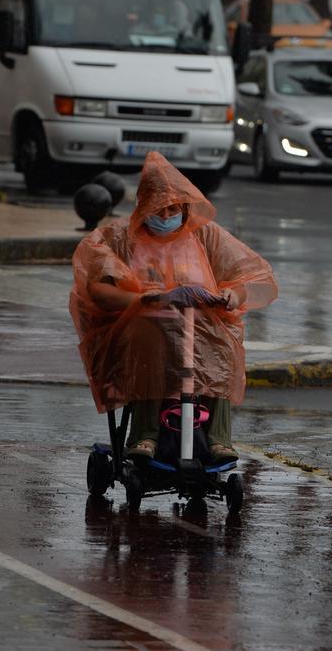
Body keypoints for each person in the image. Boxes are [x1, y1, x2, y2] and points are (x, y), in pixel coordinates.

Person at [70, 152, 277, 463]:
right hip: (140, 324)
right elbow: (98, 289)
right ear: (144, 207)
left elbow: (245, 277)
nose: (166, 216)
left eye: (173, 209)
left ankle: (218, 438)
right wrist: (141, 299)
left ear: (185, 208)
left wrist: (231, 296)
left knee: (220, 343)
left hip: (199, 325)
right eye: (159, 209)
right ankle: (146, 435)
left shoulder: (205, 235)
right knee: (149, 338)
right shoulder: (118, 238)